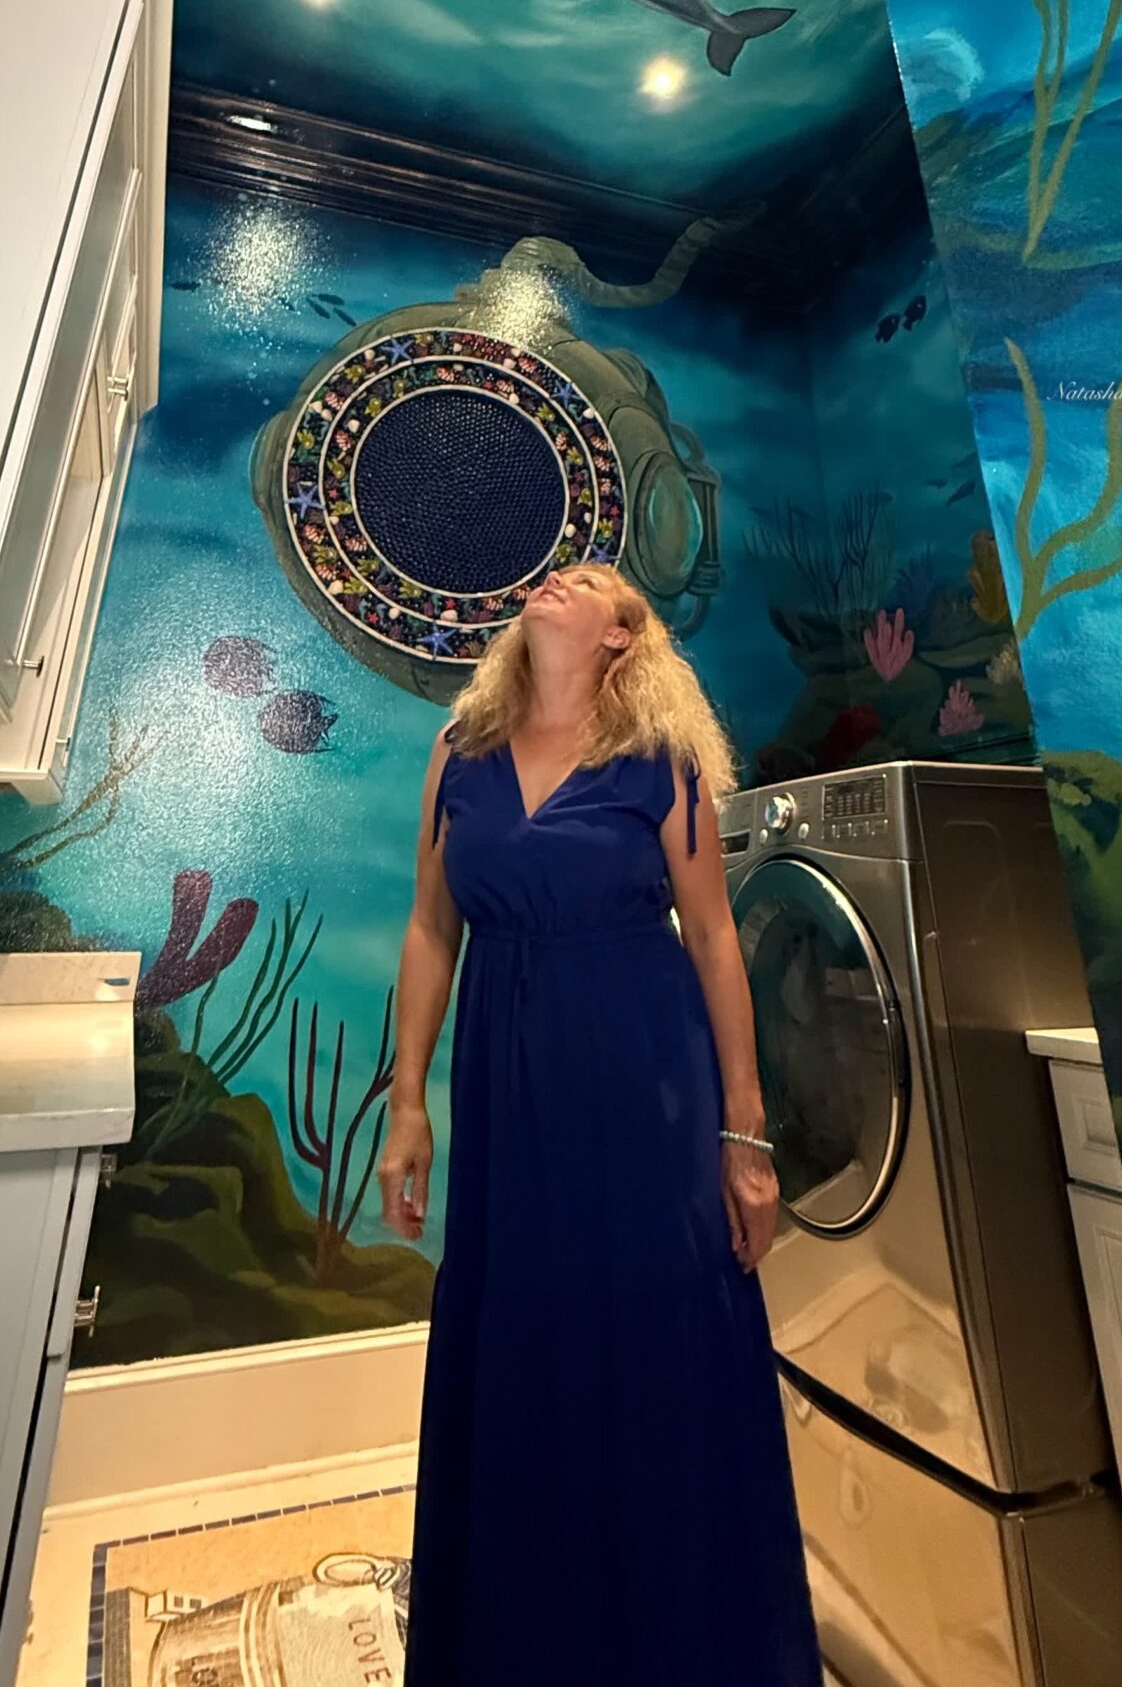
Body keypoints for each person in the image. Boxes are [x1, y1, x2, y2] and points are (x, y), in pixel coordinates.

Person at [378, 559, 823, 1686]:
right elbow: (431, 928)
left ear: (623, 636)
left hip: (646, 1088)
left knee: (659, 1337)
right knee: (520, 1335)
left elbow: (714, 939)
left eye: (585, 581)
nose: (554, 582)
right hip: (506, 1092)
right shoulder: (458, 752)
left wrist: (746, 1136)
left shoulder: (662, 762)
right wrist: (406, 1100)